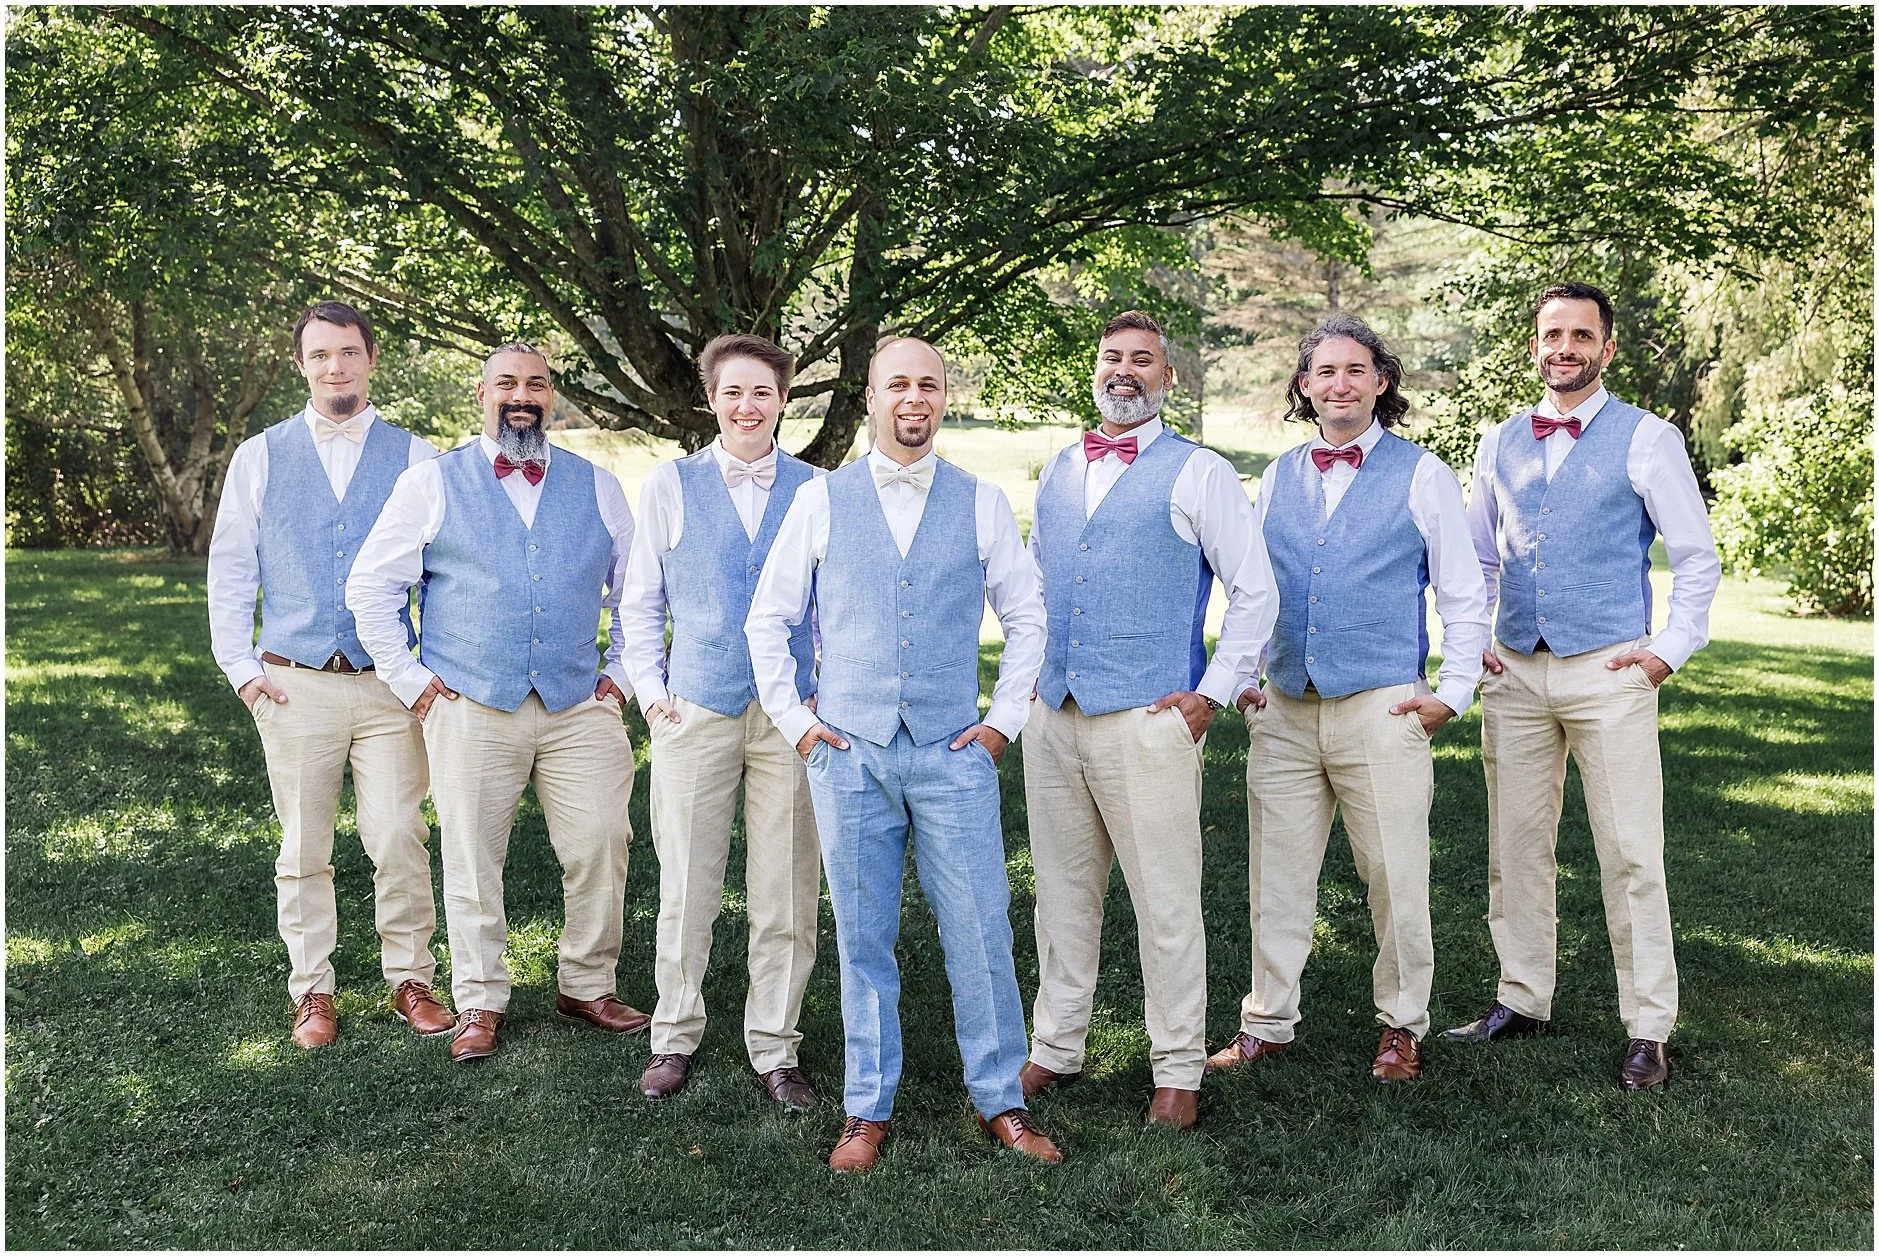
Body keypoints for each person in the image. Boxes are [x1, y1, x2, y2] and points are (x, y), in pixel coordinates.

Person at [745, 336, 1061, 1173]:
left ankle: (1001, 1099)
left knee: (980, 928)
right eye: (897, 384)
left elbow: (1027, 616)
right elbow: (767, 619)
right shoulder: (820, 500)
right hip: (848, 754)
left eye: (928, 384)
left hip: (953, 751)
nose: (913, 398)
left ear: (943, 397)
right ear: (871, 397)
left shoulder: (981, 500)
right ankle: (865, 1108)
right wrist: (796, 723)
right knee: (862, 937)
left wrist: (1001, 722)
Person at [1444, 283, 1720, 1091]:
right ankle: (1521, 997)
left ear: (1606, 347)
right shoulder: (1499, 441)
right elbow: (1477, 558)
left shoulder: (1648, 438)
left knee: (1630, 852)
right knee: (1514, 846)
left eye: (1580, 335)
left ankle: (1647, 1026)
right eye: (1551, 334)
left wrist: (1667, 651)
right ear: (1534, 344)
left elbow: (1695, 557)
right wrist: (1474, 642)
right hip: (1515, 672)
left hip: (1609, 670)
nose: (1563, 347)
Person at [1208, 313, 1489, 1085]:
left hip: (1381, 706)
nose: (1339, 384)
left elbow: (1462, 594)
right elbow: (1252, 587)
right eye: (1324, 371)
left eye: (1355, 370)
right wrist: (1241, 676)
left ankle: (1401, 1027)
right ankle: (1266, 1023)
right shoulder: (1276, 477)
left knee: (1394, 877)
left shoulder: (1422, 474)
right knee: (1276, 877)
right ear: (1304, 386)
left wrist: (1451, 693)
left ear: (1380, 382)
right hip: (1284, 709)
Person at [346, 343, 643, 1063]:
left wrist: (623, 675)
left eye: (536, 384)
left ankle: (587, 983)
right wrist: (412, 680)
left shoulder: (599, 486)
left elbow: (639, 593)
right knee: (473, 856)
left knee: (603, 839)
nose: (522, 395)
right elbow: (371, 586)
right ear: (482, 394)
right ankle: (480, 998)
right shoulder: (432, 483)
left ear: (551, 397)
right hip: (471, 701)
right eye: (506, 383)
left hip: (578, 704)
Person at [1021, 310, 1277, 1129]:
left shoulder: (1199, 472)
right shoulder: (1059, 468)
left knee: (1164, 903)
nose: (1124, 370)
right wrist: (1028, 684)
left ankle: (1176, 1068)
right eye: (1111, 357)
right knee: (1061, 896)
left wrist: (1212, 691)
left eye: (1142, 359)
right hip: (1054, 715)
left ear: (1169, 377)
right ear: (1094, 370)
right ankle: (1056, 1044)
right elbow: (1034, 588)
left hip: (1148, 717)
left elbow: (1255, 591)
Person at [207, 300, 452, 1049]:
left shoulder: (416, 457)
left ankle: (411, 978)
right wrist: (242, 669)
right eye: (320, 355)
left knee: (399, 835)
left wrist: (423, 677)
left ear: (370, 358)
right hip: (295, 684)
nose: (334, 367)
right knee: (304, 846)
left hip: (387, 687)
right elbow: (231, 566)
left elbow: (440, 576)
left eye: (347, 352)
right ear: (301, 365)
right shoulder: (259, 456)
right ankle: (311, 989)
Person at [616, 334, 824, 1108]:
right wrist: (652, 693)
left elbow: (831, 605)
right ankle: (673, 1036)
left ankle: (775, 1046)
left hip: (789, 718)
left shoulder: (817, 488)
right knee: (686, 885)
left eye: (762, 392)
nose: (747, 406)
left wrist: (822, 694)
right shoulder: (670, 485)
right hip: (696, 707)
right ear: (710, 400)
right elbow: (640, 600)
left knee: (787, 888)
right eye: (732, 392)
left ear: (782, 401)